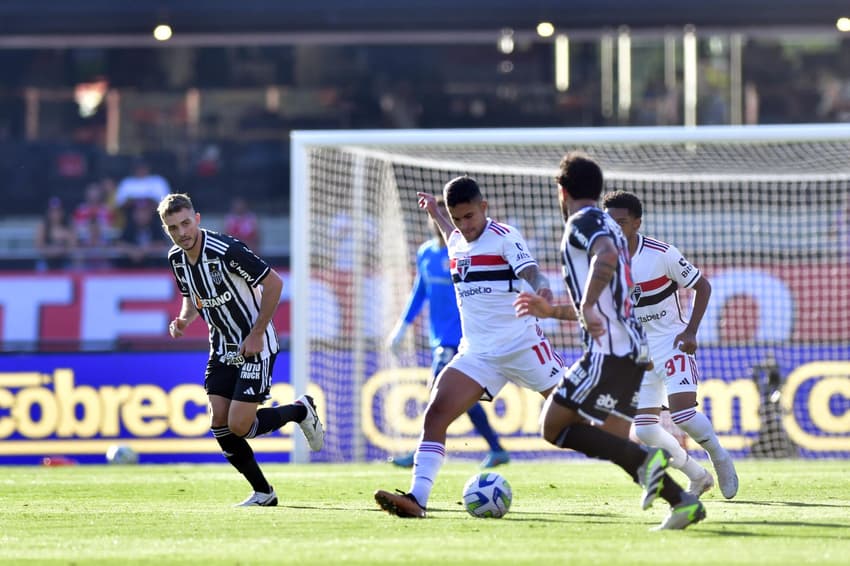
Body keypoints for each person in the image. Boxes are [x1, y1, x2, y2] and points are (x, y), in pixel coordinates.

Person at [513, 152, 706, 530]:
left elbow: (603, 259)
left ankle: (661, 476)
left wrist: (584, 303)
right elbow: (608, 301)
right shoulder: (613, 226)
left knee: (552, 427)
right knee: (612, 437)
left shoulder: (584, 222)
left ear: (562, 190)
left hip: (610, 353)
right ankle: (677, 494)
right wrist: (555, 312)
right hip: (631, 350)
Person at [374, 176, 561, 518]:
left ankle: (659, 460)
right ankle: (417, 499)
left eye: (470, 217)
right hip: (478, 353)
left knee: (581, 416)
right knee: (436, 413)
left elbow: (531, 271)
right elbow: (452, 236)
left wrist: (543, 288)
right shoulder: (457, 239)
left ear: (483, 208)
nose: (464, 225)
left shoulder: (505, 237)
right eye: (457, 218)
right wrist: (436, 213)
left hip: (523, 345)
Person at [158, 192, 324, 507]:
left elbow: (274, 283)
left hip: (254, 346)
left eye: (185, 223)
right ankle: (264, 492)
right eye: (173, 228)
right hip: (221, 348)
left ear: (197, 218)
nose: (182, 233)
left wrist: (258, 332)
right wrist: (183, 319)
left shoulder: (227, 251)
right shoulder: (176, 258)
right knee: (218, 422)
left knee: (239, 426)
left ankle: (301, 410)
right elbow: (193, 296)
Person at [600, 190, 738, 499]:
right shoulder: (603, 261)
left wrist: (690, 331)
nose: (614, 229)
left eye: (621, 222)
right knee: (646, 429)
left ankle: (719, 456)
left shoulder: (661, 254)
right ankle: (697, 475)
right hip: (639, 352)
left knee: (683, 415)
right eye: (609, 223)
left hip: (671, 341)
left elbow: (702, 286)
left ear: (637, 223)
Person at [386, 200, 510, 469]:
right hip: (437, 338)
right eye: (436, 217)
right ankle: (497, 448)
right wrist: (402, 326)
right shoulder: (425, 253)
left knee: (438, 391)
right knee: (451, 396)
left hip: (460, 336)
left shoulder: (464, 252)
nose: (437, 222)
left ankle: (423, 453)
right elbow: (420, 292)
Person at [35, 196, 78, 271]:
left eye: (58, 211)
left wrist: (63, 248)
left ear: (62, 212)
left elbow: (74, 246)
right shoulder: (44, 226)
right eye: (52, 211)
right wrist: (51, 251)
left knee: (71, 266)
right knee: (41, 266)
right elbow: (39, 246)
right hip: (47, 260)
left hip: (65, 260)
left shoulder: (68, 225)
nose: (55, 214)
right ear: (48, 212)